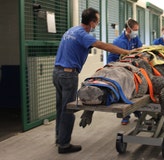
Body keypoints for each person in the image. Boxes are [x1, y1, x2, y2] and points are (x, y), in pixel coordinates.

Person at [53, 7, 137, 154]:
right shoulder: (83, 35)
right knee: (68, 109)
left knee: (60, 107)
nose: (97, 24)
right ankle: (64, 145)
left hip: (57, 73)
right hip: (68, 75)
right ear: (92, 23)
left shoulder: (71, 30)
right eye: (97, 22)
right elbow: (103, 46)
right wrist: (127, 52)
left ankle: (59, 137)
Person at [107, 19, 143, 125]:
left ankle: (137, 111)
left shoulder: (134, 38)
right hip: (117, 67)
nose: (136, 32)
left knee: (135, 90)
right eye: (135, 30)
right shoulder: (119, 42)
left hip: (129, 66)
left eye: (137, 30)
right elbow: (122, 59)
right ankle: (125, 115)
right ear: (128, 29)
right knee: (125, 90)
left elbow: (139, 49)